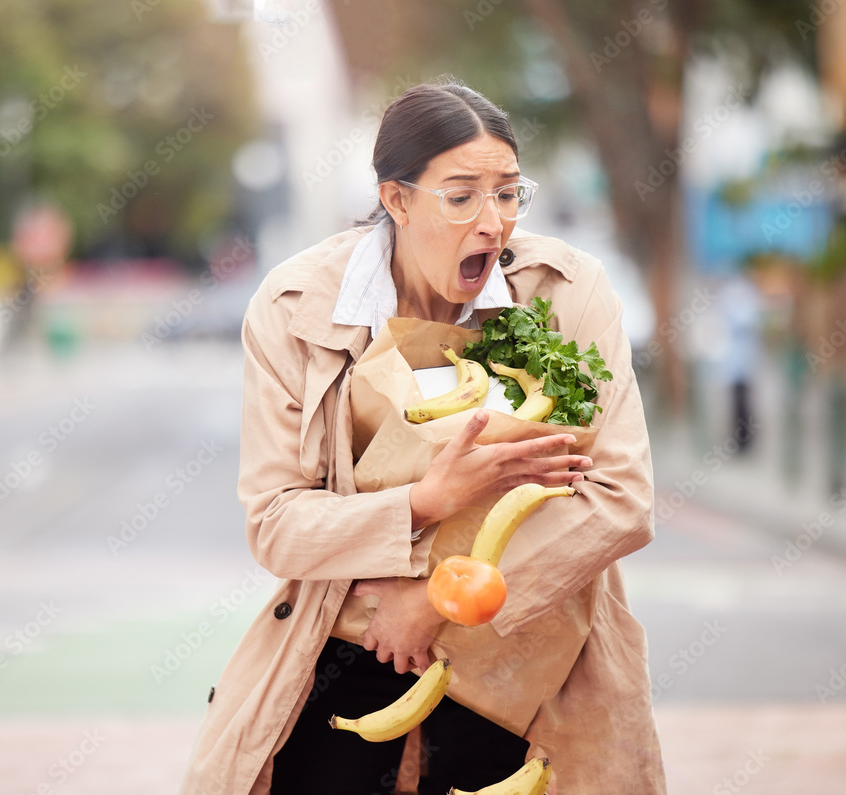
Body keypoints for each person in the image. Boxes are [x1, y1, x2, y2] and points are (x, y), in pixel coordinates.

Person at [178, 79, 665, 794]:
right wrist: (426, 500)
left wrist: (436, 600)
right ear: (396, 199)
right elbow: (278, 524)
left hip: (529, 666)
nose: (492, 221)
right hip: (349, 652)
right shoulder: (295, 308)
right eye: (462, 195)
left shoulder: (566, 292)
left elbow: (620, 498)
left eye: (507, 193)